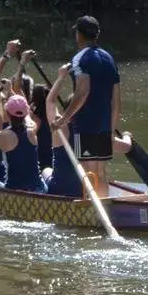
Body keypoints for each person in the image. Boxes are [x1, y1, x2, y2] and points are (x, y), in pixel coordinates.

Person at [50, 16, 121, 195]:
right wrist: (111, 130)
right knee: (100, 172)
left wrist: (63, 120)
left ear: (79, 35)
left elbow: (82, 91)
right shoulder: (109, 59)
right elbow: (116, 99)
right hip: (104, 125)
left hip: (86, 125)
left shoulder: (79, 58)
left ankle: (91, 208)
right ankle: (104, 204)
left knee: (88, 172)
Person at [43, 63, 132, 197]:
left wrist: (61, 77)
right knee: (99, 172)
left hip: (59, 190)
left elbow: (50, 101)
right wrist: (127, 135)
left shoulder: (60, 129)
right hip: (84, 192)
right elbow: (126, 147)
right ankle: (103, 198)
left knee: (46, 170)